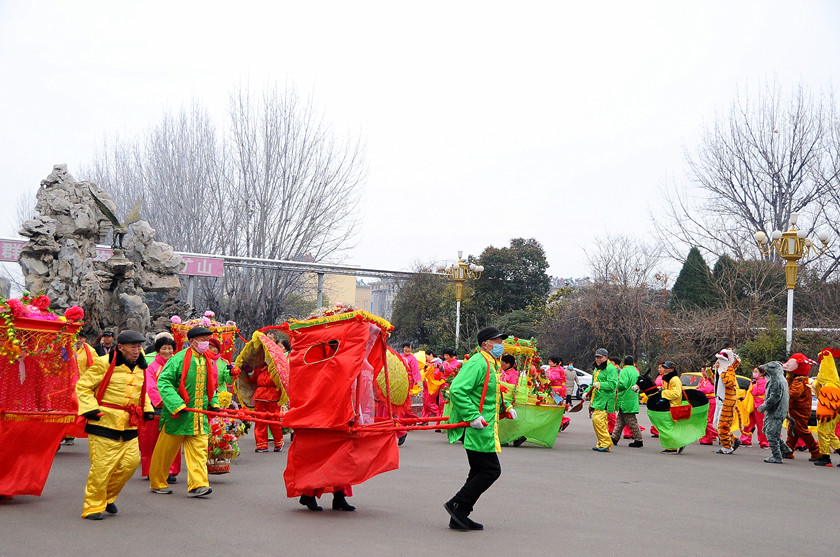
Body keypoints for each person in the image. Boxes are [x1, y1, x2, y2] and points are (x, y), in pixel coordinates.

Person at [75, 330, 153, 519]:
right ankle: (93, 507)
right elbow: (83, 386)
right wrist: (90, 408)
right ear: (120, 347)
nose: (137, 350)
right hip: (104, 422)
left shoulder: (141, 366)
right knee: (102, 468)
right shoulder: (104, 363)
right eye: (133, 347)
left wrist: (147, 408)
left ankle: (108, 497)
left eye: (139, 346)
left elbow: (142, 392)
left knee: (130, 464)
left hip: (130, 424)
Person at [444, 327, 516, 531]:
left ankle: (459, 514)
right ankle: (456, 503)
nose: (501, 345)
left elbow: (490, 393)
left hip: (485, 426)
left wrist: (506, 407)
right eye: (497, 341)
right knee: (491, 470)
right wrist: (472, 415)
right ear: (485, 344)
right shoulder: (478, 362)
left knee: (478, 471)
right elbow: (457, 389)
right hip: (478, 427)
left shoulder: (491, 363)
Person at [148, 326, 219, 497]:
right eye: (202, 340)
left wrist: (214, 402)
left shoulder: (208, 360)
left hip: (198, 416)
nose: (206, 343)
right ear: (192, 341)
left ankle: (198, 485)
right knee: (165, 453)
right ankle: (158, 482)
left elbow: (210, 386)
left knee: (199, 452)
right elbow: (164, 382)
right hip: (177, 415)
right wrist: (177, 404)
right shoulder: (178, 359)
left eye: (207, 340)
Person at [138, 334, 181, 482]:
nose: (167, 351)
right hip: (157, 408)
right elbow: (150, 388)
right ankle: (151, 470)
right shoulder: (151, 367)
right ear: (158, 350)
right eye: (164, 348)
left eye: (170, 348)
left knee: (172, 442)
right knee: (152, 441)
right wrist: (165, 401)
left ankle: (170, 470)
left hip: (175, 407)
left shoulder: (178, 365)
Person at [782, 353, 821, 460]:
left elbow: (793, 394)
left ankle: (816, 452)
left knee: (802, 431)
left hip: (800, 410)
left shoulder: (799, 380)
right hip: (796, 409)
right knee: (793, 430)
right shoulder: (797, 379)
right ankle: (788, 450)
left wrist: (782, 393)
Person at [588, 348, 618, 452]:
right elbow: (592, 384)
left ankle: (606, 442)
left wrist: (600, 385)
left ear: (606, 357)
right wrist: (585, 393)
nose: (598, 359)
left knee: (598, 420)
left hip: (605, 400)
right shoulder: (597, 368)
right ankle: (602, 443)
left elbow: (613, 384)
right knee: (601, 422)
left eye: (600, 357)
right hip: (597, 399)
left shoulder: (611, 369)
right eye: (597, 357)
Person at [611, 356, 643, 448]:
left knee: (631, 421)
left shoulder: (624, 371)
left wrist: (615, 384)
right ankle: (614, 438)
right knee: (620, 421)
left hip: (624, 399)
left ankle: (638, 440)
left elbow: (623, 384)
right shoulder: (635, 371)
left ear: (624, 363)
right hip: (632, 398)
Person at [658, 361, 686, 454]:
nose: (665, 369)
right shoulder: (669, 379)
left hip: (674, 406)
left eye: (667, 368)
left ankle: (672, 447)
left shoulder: (674, 379)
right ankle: (679, 442)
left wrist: (662, 392)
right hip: (671, 406)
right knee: (671, 427)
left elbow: (676, 393)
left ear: (672, 369)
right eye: (664, 367)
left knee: (670, 428)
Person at [740, 367, 768, 448]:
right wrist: (744, 397)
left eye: (756, 371)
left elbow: (756, 392)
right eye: (754, 371)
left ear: (762, 373)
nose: (754, 373)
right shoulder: (754, 382)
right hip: (752, 404)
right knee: (749, 423)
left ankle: (764, 442)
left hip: (759, 405)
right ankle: (745, 440)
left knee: (761, 424)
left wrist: (754, 385)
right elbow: (749, 392)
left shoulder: (763, 381)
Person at [697, 364, 718, 445]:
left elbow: (708, 389)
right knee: (706, 420)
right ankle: (707, 438)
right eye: (702, 371)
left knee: (707, 420)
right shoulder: (704, 380)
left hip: (711, 400)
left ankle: (721, 434)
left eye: (704, 371)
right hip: (706, 400)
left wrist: (697, 390)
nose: (702, 373)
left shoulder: (711, 379)